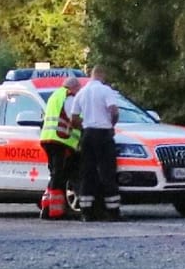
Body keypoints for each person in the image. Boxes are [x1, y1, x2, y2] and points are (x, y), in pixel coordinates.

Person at [69, 65, 123, 221]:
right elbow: (114, 111)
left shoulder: (81, 93)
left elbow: (73, 118)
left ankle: (86, 211)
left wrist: (85, 127)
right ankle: (113, 212)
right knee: (108, 172)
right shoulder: (105, 90)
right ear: (102, 75)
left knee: (87, 172)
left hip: (87, 135)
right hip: (103, 134)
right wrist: (112, 126)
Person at [37, 76, 84, 220]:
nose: (79, 92)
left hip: (48, 139)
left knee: (55, 174)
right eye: (78, 89)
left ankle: (47, 208)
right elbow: (73, 118)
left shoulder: (54, 96)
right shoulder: (69, 96)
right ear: (73, 87)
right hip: (61, 140)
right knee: (58, 174)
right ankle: (55, 211)